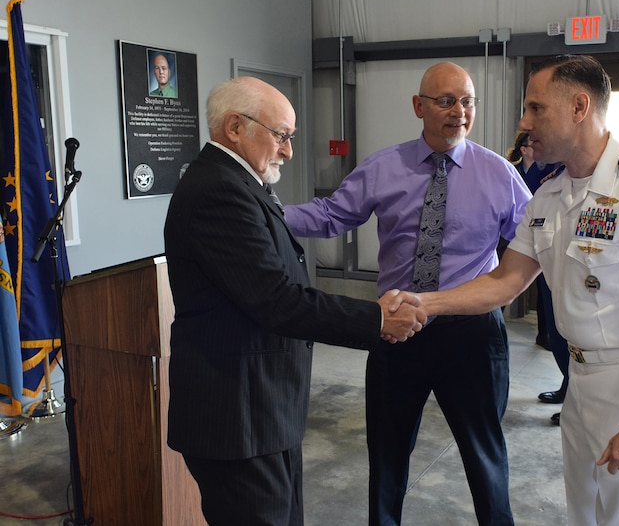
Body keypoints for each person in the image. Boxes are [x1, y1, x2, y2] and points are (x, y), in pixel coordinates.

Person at [388, 55, 619, 525]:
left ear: (578, 107)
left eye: (535, 109)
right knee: (584, 516)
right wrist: (423, 302)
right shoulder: (550, 196)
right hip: (580, 384)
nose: (524, 123)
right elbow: (504, 281)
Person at [163, 76, 426, 526]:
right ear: (234, 127)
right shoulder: (219, 192)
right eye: (281, 136)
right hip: (236, 418)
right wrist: (376, 318)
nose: (287, 150)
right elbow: (277, 300)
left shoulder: (237, 183)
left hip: (263, 412)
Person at [284, 62, 531, 525]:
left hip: (472, 336)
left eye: (467, 101)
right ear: (419, 107)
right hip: (397, 330)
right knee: (388, 453)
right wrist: (270, 213)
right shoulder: (383, 167)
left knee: (485, 456)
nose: (459, 111)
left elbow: (534, 245)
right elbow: (332, 216)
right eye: (446, 101)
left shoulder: (499, 175)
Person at [506, 130, 568, 425]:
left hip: (567, 263)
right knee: (556, 333)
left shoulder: (558, 173)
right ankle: (566, 388)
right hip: (536, 251)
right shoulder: (520, 172)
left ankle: (571, 394)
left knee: (568, 333)